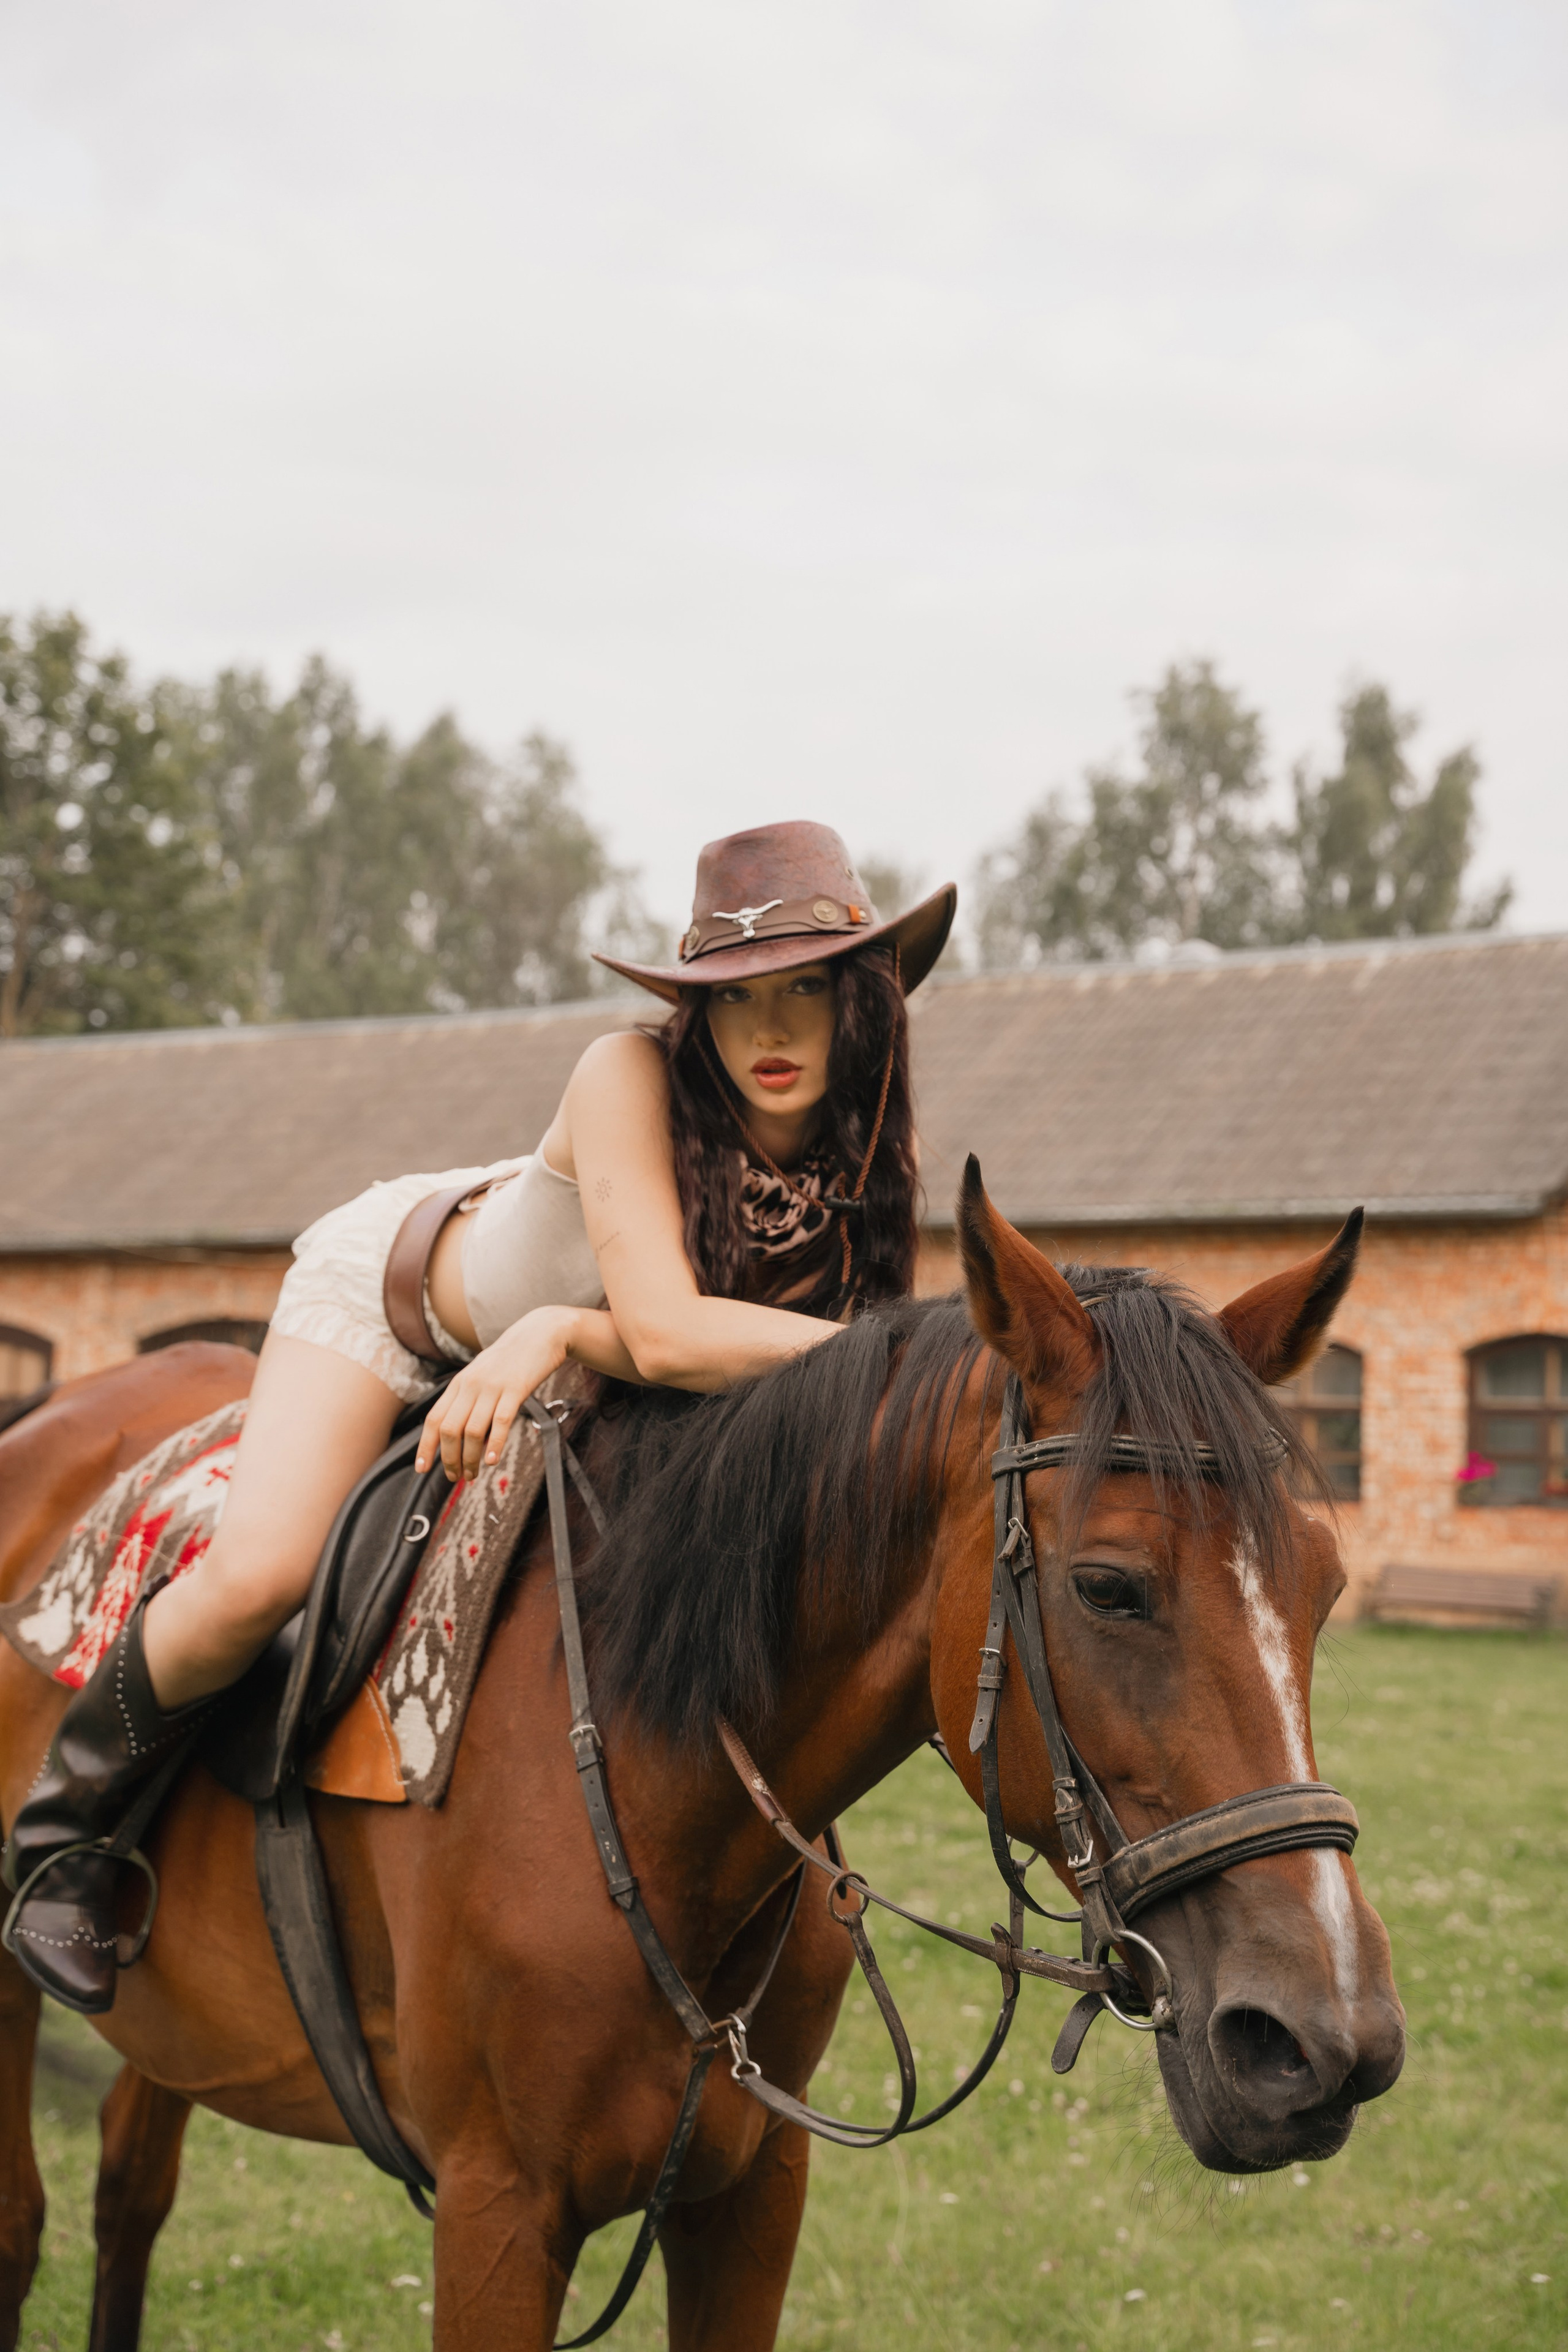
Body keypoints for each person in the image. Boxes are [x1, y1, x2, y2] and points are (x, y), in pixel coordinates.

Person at [2, 821, 955, 2011]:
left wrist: (557, 1334)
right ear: (692, 1011)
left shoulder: (869, 1138)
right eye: (736, 996)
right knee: (261, 1573)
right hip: (397, 1312)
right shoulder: (627, 1074)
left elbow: (719, 1374)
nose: (770, 1030)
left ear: (859, 1001)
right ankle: (61, 1842)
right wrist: (917, 1363)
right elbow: (672, 1332)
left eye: (805, 990)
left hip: (567, 1358)